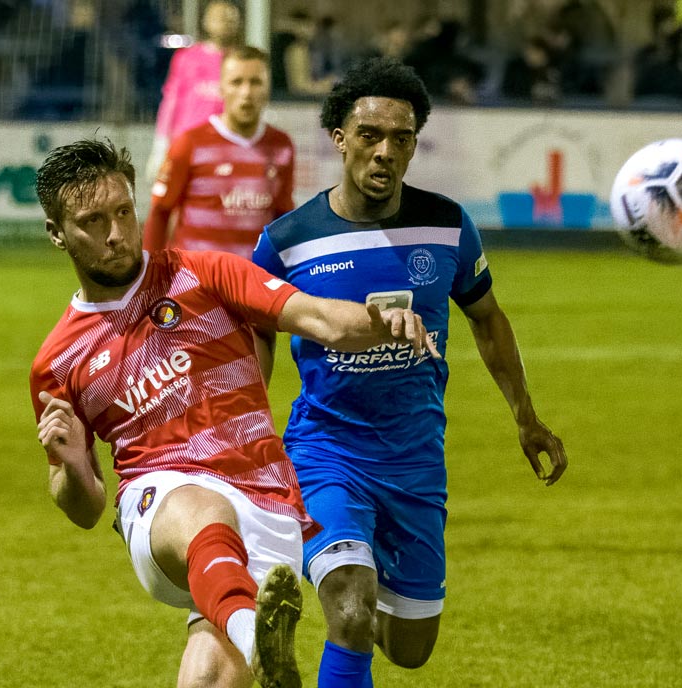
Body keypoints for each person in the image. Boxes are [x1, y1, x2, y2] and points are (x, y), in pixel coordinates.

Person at [29, 138, 438, 688]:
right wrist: (72, 465)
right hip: (161, 503)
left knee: (208, 680)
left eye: (124, 212)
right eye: (91, 221)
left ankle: (250, 634)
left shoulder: (205, 275)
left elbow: (320, 317)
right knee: (201, 508)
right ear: (57, 233)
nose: (115, 233)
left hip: (264, 502)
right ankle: (261, 642)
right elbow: (84, 508)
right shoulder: (59, 359)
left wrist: (386, 318)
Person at [250, 58, 569, 687]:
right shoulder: (287, 242)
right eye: (370, 135)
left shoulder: (448, 225)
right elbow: (256, 339)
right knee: (349, 606)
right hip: (326, 452)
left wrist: (527, 419)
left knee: (409, 646)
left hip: (416, 461)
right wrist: (245, 435)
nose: (385, 152)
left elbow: (487, 319)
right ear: (339, 138)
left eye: (402, 139)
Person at [144, 46, 295, 257]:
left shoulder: (282, 145)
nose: (246, 92)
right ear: (221, 88)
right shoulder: (189, 143)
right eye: (237, 82)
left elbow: (282, 216)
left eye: (255, 82)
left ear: (267, 88)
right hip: (195, 283)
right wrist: (150, 276)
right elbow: (161, 212)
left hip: (253, 283)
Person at [145, 0, 242, 186]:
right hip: (188, 145)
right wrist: (160, 146)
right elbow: (170, 102)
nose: (225, 22)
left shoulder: (240, 61)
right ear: (206, 21)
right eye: (219, 17)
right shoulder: (187, 58)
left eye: (231, 18)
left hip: (225, 148)